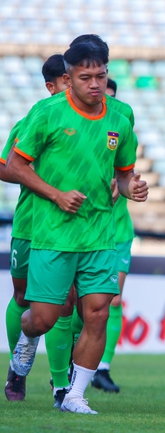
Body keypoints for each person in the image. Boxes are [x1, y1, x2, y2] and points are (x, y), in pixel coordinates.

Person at [7, 40, 148, 414]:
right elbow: (16, 166)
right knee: (43, 318)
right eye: (85, 77)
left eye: (100, 76)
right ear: (67, 78)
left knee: (98, 311)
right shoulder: (47, 112)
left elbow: (123, 175)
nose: (95, 84)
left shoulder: (121, 118)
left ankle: (74, 395)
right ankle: (25, 341)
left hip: (101, 234)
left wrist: (131, 187)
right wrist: (55, 195)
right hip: (53, 233)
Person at [2, 54, 75, 407]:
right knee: (22, 298)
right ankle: (17, 369)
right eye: (66, 79)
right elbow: (5, 167)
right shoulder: (33, 119)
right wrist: (43, 182)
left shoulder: (93, 119)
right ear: (53, 86)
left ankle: (60, 385)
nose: (74, 85)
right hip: (31, 225)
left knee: (65, 304)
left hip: (71, 228)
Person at [91, 74, 136, 394]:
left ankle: (102, 367)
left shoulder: (120, 125)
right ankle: (74, 364)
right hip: (85, 228)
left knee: (113, 299)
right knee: (80, 303)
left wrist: (127, 186)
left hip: (117, 229)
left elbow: (128, 173)